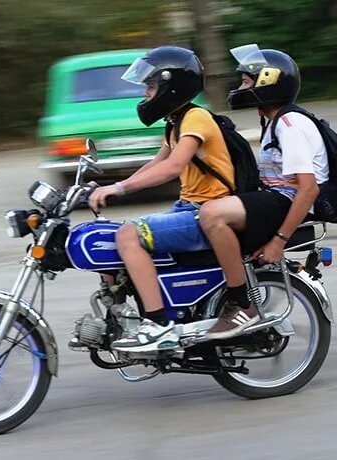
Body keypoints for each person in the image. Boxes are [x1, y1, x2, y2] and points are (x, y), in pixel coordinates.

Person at [88, 46, 235, 352]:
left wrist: (119, 190)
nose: (145, 94)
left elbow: (173, 167)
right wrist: (111, 185)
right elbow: (155, 163)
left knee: (129, 236)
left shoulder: (196, 118)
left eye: (151, 87)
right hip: (189, 207)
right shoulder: (176, 122)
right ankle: (122, 312)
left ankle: (158, 326)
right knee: (111, 237)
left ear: (172, 86)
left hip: (207, 213)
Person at [199, 45, 329, 340]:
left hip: (287, 203)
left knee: (212, 215)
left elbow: (307, 190)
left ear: (268, 82)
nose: (240, 87)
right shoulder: (276, 121)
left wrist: (278, 242)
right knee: (206, 209)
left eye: (247, 81)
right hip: (278, 200)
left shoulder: (290, 125)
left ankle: (242, 304)